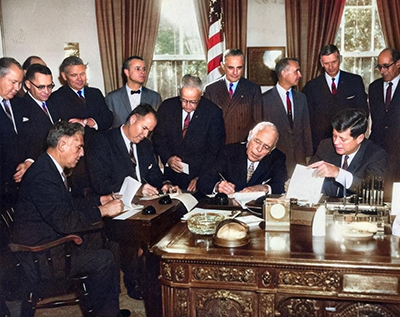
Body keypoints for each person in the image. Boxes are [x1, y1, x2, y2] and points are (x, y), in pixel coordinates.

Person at [12, 121, 129, 317]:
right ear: (62, 145)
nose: (82, 153)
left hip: (51, 241)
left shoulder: (49, 167)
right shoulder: (43, 176)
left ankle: (108, 309)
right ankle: (103, 313)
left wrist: (100, 200)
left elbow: (68, 205)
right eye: (79, 147)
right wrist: (102, 211)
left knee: (111, 241)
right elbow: (65, 222)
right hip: (43, 254)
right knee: (105, 259)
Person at [87, 104, 178, 300]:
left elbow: (153, 173)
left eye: (150, 131)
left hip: (143, 204)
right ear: (133, 118)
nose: (145, 135)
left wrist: (165, 184)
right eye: (144, 128)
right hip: (115, 206)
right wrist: (136, 188)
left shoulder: (145, 145)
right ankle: (134, 280)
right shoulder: (103, 141)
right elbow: (101, 182)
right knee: (137, 233)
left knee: (171, 219)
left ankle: (155, 278)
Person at [50, 56, 113, 195]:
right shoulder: (56, 98)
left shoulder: (95, 93)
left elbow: (108, 118)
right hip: (75, 161)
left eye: (82, 74)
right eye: (74, 75)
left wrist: (88, 121)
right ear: (64, 76)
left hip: (99, 153)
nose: (80, 79)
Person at [152, 74, 226, 192]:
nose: (187, 106)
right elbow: (158, 139)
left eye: (193, 102)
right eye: (184, 100)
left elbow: (215, 150)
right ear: (180, 94)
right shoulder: (167, 107)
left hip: (199, 177)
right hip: (172, 178)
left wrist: (201, 178)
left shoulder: (213, 113)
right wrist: (168, 158)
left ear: (200, 95)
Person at [303, 44, 368, 152]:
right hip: (321, 143)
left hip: (348, 141)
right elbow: (308, 119)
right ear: (321, 63)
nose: (331, 67)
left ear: (340, 59)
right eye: (326, 63)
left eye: (334, 62)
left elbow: (363, 111)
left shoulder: (354, 81)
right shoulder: (311, 86)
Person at [308, 109, 387, 197]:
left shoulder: (375, 155)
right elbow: (308, 177)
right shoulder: (326, 146)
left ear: (359, 138)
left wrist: (338, 173)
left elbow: (372, 190)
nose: (336, 142)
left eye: (343, 139)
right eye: (334, 136)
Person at [197, 122, 287, 195]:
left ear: (272, 149)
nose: (259, 149)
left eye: (266, 147)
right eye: (257, 141)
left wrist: (264, 188)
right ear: (249, 136)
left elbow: (280, 185)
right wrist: (218, 186)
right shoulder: (228, 151)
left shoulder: (278, 158)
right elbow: (204, 180)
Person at [262, 58, 312, 176]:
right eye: (296, 71)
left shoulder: (301, 98)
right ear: (284, 73)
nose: (299, 75)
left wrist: (308, 155)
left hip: (299, 159)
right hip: (276, 159)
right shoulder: (264, 100)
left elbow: (306, 128)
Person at [203, 48, 263, 144]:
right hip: (218, 146)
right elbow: (206, 124)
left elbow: (258, 123)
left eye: (239, 68)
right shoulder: (211, 89)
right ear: (222, 66)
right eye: (231, 68)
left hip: (241, 146)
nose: (235, 72)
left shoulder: (253, 89)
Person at [0, 57, 32, 210]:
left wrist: (28, 161)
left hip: (21, 187)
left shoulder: (20, 103)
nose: (17, 88)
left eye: (20, 83)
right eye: (13, 82)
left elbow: (29, 138)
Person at [368, 48, 400, 199]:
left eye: (386, 66)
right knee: (377, 194)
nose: (382, 71)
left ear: (398, 64)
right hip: (378, 150)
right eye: (379, 67)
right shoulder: (374, 88)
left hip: (398, 150)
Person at [106, 55, 162, 127]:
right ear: (127, 72)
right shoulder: (112, 98)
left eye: (144, 69)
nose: (142, 72)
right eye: (138, 69)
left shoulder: (155, 97)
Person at [17, 64, 59, 158]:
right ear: (28, 84)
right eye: (41, 87)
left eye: (50, 86)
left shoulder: (54, 102)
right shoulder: (20, 107)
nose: (47, 91)